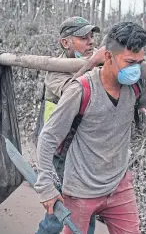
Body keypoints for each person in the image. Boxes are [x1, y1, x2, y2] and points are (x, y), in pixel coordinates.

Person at [35, 21, 146, 234]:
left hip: (119, 185)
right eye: (129, 62)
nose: (135, 69)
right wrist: (45, 186)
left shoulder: (137, 85)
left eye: (139, 62)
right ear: (108, 57)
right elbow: (49, 137)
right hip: (81, 188)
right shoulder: (81, 89)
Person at [36, 16, 100, 234]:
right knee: (66, 211)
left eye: (92, 37)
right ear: (65, 43)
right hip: (62, 149)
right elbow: (76, 91)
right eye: (83, 38)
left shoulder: (95, 59)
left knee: (80, 210)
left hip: (84, 149)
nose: (91, 42)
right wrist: (92, 64)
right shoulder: (55, 72)